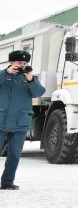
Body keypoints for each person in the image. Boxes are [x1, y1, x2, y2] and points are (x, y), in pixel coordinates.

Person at [0, 50, 45, 190]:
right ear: (11, 63)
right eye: (19, 63)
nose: (22, 66)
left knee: (14, 155)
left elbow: (39, 93)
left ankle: (7, 182)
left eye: (25, 63)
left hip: (21, 121)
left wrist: (31, 79)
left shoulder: (29, 78)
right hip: (1, 120)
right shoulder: (3, 75)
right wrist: (6, 73)